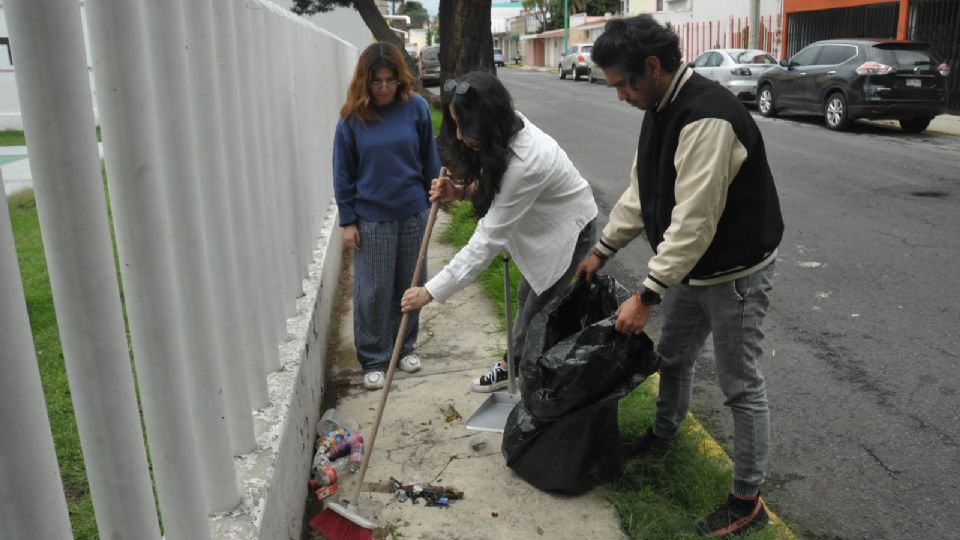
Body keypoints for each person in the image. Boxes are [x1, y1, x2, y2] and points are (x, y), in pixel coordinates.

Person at [575, 15, 784, 537]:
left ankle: (747, 500)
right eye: (614, 86)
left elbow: (694, 222)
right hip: (695, 270)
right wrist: (603, 249)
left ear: (653, 66)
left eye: (625, 83)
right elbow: (642, 191)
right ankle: (664, 435)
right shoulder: (659, 106)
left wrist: (646, 294)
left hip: (735, 272)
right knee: (673, 356)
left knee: (740, 385)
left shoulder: (707, 117)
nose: (621, 95)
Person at [400, 71, 598, 393]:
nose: (461, 136)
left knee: (538, 313)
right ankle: (516, 367)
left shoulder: (529, 159)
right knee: (527, 298)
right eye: (457, 125)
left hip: (569, 230)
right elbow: (497, 183)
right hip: (540, 221)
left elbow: (486, 240)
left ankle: (534, 388)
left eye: (467, 128)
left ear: (489, 122)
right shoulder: (506, 129)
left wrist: (431, 291)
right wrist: (461, 192)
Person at [332, 42, 441, 391]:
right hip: (372, 218)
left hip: (412, 211)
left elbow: (429, 159)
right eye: (376, 81)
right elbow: (342, 173)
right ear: (365, 81)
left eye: (390, 80)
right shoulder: (352, 119)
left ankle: (404, 346)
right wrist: (348, 221)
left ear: (400, 79)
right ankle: (375, 357)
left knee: (410, 285)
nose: (383, 88)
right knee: (373, 290)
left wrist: (435, 198)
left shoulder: (417, 109)